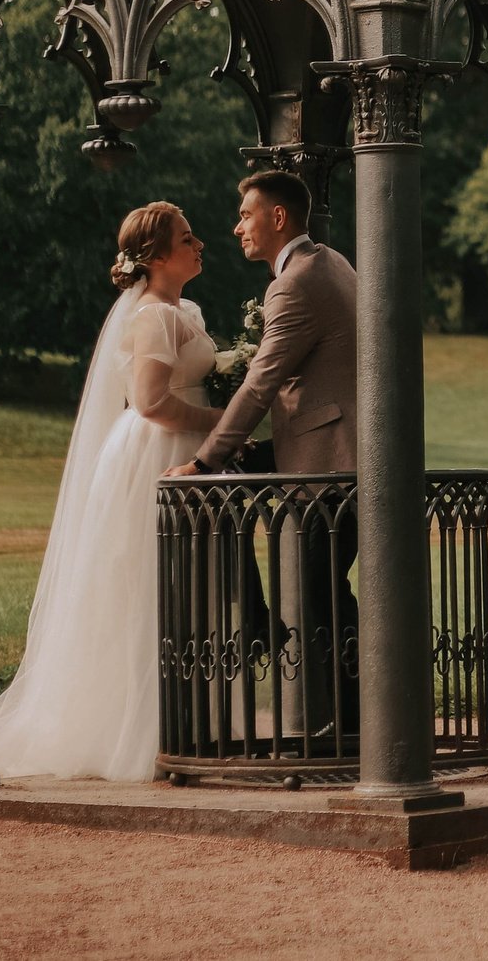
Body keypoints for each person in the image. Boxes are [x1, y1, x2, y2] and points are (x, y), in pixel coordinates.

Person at [0, 203, 221, 781]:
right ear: (157, 258)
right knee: (144, 587)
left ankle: (181, 725)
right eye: (187, 238)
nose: (199, 243)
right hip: (156, 451)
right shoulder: (153, 317)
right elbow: (153, 402)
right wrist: (225, 419)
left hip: (182, 450)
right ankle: (136, 733)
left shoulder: (187, 311)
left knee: (185, 590)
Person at [166, 169, 361, 738]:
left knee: (320, 589)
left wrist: (202, 462)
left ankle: (353, 722)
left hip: (331, 466)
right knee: (326, 587)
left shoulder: (295, 282)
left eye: (247, 215)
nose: (237, 227)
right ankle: (259, 622)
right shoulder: (332, 261)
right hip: (336, 451)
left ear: (278, 218)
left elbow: (260, 385)